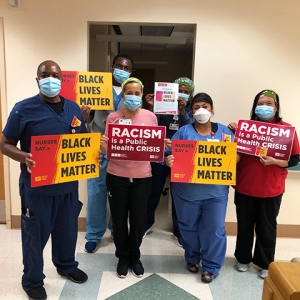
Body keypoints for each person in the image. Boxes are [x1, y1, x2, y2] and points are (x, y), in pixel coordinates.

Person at [0, 60, 88, 300]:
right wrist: (24, 156)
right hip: (36, 187)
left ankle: (66, 265)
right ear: (38, 80)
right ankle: (32, 280)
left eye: (55, 75)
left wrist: (92, 142)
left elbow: (80, 141)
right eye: (45, 75)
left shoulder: (74, 109)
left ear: (62, 79)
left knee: (68, 230)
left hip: (68, 187)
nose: (51, 78)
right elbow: (5, 144)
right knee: (34, 235)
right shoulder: (23, 109)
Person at [229, 89, 300, 279]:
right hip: (245, 186)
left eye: (269, 104)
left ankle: (264, 262)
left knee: (267, 227)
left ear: (276, 107)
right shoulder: (245, 129)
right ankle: (242, 259)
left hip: (271, 188)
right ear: (254, 107)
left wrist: (275, 161)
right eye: (261, 103)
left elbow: (294, 159)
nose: (265, 107)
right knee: (244, 225)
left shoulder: (286, 130)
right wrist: (232, 131)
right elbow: (233, 153)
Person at [165, 92, 235, 283]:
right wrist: (169, 160)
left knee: (214, 229)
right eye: (196, 107)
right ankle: (192, 257)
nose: (201, 110)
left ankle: (211, 266)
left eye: (205, 106)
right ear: (191, 110)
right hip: (186, 192)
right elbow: (169, 154)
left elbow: (235, 157)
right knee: (188, 227)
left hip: (216, 193)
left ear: (212, 109)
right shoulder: (183, 132)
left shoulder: (225, 132)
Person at [100, 77, 158, 279]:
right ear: (122, 95)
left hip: (142, 177)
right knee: (118, 218)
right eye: (129, 93)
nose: (133, 97)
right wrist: (103, 144)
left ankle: (135, 257)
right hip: (117, 176)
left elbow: (152, 147)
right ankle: (122, 257)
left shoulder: (150, 117)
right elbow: (108, 151)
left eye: (137, 93)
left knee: (138, 219)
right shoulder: (113, 118)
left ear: (142, 95)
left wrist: (161, 144)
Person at [83, 54, 135, 253]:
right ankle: (94, 235)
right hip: (98, 149)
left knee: (120, 194)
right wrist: (85, 116)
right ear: (112, 67)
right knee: (96, 193)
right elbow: (87, 123)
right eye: (119, 66)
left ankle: (116, 228)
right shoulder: (98, 89)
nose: (122, 69)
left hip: (122, 152)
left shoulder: (131, 92)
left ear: (131, 72)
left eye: (127, 67)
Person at [143, 77, 194, 246]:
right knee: (152, 193)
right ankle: (146, 224)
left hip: (180, 159)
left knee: (179, 196)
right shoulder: (161, 107)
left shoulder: (192, 113)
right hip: (160, 157)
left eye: (186, 92)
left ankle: (179, 230)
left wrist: (182, 112)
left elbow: (190, 132)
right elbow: (152, 127)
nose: (182, 94)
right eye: (180, 90)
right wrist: (151, 107)